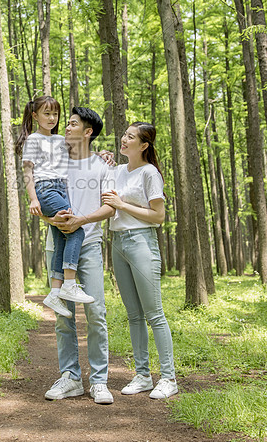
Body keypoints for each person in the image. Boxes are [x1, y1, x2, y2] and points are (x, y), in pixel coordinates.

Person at [40, 107, 116, 405]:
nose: (65, 127)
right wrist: (55, 221)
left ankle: (99, 381)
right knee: (62, 315)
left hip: (90, 246)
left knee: (96, 313)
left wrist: (80, 222)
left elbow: (110, 208)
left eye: (72, 124)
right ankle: (70, 378)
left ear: (88, 132)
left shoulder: (103, 165)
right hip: (56, 244)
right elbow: (41, 201)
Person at [101, 122, 178, 400]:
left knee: (154, 313)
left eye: (130, 137)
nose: (124, 139)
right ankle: (143, 375)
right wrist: (102, 159)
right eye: (124, 134)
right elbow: (98, 179)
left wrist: (122, 205)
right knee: (134, 315)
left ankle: (168, 378)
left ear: (143, 145)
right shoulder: (118, 171)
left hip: (142, 242)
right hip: (118, 243)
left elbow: (159, 217)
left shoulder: (149, 173)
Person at [17, 96, 94, 318]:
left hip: (62, 189)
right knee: (77, 229)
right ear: (35, 116)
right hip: (46, 190)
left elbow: (80, 157)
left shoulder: (61, 139)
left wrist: (102, 155)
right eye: (46, 114)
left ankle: (54, 292)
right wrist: (34, 199)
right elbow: (28, 172)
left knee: (63, 236)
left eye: (55, 114)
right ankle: (69, 284)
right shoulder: (33, 139)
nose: (51, 118)